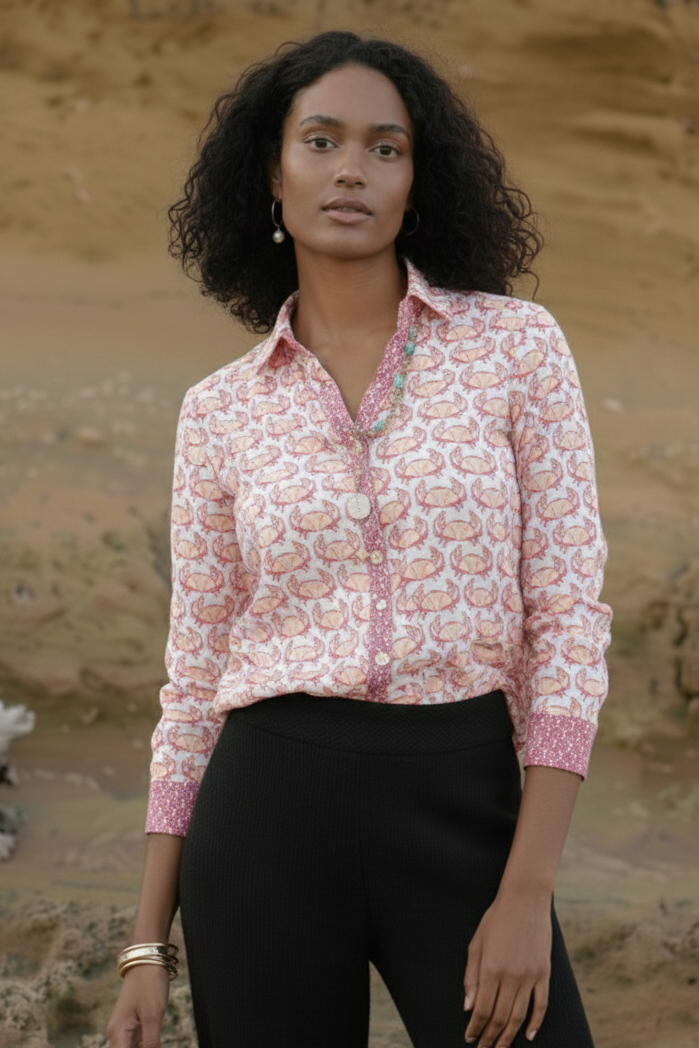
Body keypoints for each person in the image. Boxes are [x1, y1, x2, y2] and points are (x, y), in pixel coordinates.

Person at [107, 30, 612, 1048]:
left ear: (419, 182)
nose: (351, 169)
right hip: (264, 820)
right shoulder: (220, 411)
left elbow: (567, 621)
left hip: (463, 801)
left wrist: (528, 892)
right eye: (322, 141)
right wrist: (146, 943)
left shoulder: (516, 349)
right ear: (272, 175)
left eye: (386, 148)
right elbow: (194, 675)